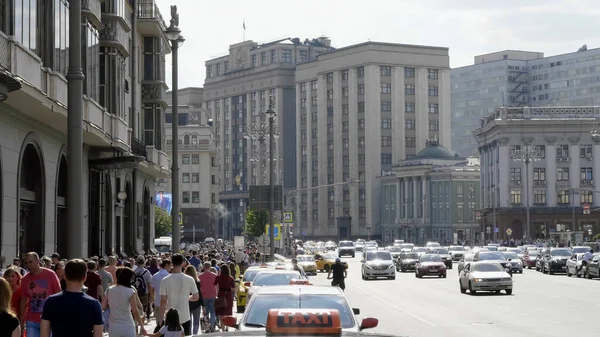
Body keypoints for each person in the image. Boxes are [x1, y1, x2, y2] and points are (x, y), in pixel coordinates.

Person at [40, 259, 104, 337]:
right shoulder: (94, 304)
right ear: (85, 277)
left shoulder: (50, 301)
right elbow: (98, 335)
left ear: (64, 276)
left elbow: (44, 334)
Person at [20, 252, 62, 337]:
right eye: (26, 263)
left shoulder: (50, 274)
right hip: (31, 319)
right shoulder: (25, 279)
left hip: (48, 319)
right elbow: (23, 301)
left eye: (31, 262)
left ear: (37, 261)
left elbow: (59, 295)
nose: (28, 265)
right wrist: (21, 321)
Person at [158, 254, 199, 336]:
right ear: (183, 263)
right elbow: (196, 297)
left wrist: (160, 319)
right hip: (185, 315)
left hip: (170, 316)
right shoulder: (189, 279)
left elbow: (163, 301)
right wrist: (186, 297)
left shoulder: (165, 280)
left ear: (172, 263)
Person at [102, 267, 146, 337]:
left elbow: (103, 306)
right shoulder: (130, 291)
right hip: (127, 325)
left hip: (113, 327)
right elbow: (135, 311)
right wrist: (142, 326)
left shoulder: (109, 290)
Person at [214, 264, 235, 332]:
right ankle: (227, 327)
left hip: (221, 295)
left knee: (221, 313)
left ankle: (223, 329)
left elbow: (214, 284)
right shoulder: (230, 278)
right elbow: (234, 288)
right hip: (228, 296)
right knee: (227, 313)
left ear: (221, 270)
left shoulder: (218, 277)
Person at [198, 261, 217, 333]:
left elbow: (199, 288)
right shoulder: (214, 275)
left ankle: (207, 327)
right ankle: (212, 326)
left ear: (203, 267)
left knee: (206, 313)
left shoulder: (200, 276)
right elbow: (217, 286)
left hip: (204, 296)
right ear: (210, 267)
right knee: (213, 312)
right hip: (212, 295)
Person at [184, 265, 202, 335]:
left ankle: (189, 334)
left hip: (187, 303)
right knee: (196, 321)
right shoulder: (197, 282)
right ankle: (195, 334)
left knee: (189, 321)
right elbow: (200, 294)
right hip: (196, 303)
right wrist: (203, 305)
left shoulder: (185, 282)